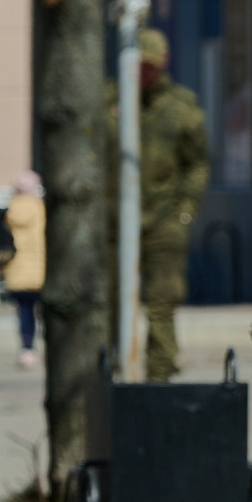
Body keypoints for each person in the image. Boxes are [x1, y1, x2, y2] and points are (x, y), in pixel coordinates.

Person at [104, 28, 210, 380]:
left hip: (164, 220)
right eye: (138, 65)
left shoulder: (181, 107)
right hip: (114, 221)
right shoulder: (108, 102)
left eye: (150, 65)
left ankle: (159, 376)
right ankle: (110, 371)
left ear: (163, 63)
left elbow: (197, 163)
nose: (143, 72)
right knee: (111, 300)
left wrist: (185, 212)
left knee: (163, 301)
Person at [2, 171, 44, 369]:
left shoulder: (10, 210)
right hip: (41, 267)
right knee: (48, 310)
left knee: (24, 311)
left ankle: (27, 348)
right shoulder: (41, 208)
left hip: (17, 268)